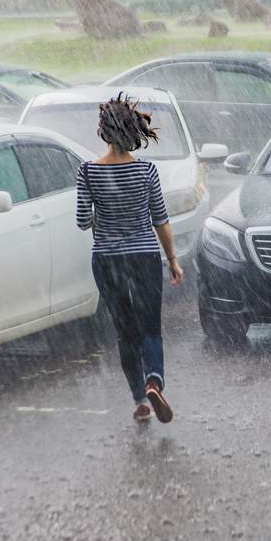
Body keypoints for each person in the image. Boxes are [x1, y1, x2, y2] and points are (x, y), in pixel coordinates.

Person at [76, 93, 184, 423]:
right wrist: (173, 259)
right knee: (150, 328)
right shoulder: (147, 171)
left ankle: (139, 399)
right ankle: (154, 380)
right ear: (132, 130)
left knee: (125, 331)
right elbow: (160, 219)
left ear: (103, 132)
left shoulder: (88, 171)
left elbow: (82, 220)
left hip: (107, 260)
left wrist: (104, 216)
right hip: (144, 257)